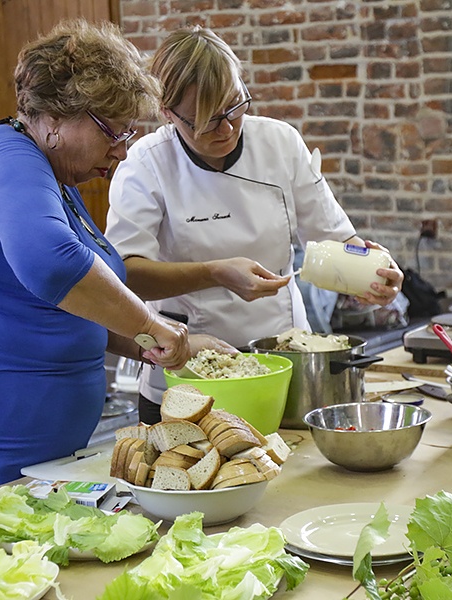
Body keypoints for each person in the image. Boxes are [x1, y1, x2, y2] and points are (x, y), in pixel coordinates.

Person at [0, 20, 217, 489]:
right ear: (57, 118)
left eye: (128, 134)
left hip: (28, 447)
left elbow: (61, 311)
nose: (121, 152)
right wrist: (152, 327)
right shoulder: (6, 158)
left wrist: (159, 349)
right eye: (112, 132)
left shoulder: (53, 179)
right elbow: (53, 264)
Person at [105, 26, 404, 424]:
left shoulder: (279, 143)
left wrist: (375, 273)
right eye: (207, 121)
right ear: (168, 112)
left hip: (285, 366)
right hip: (189, 380)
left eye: (235, 106)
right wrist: (215, 273)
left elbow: (335, 238)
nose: (227, 129)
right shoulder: (146, 164)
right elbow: (126, 275)